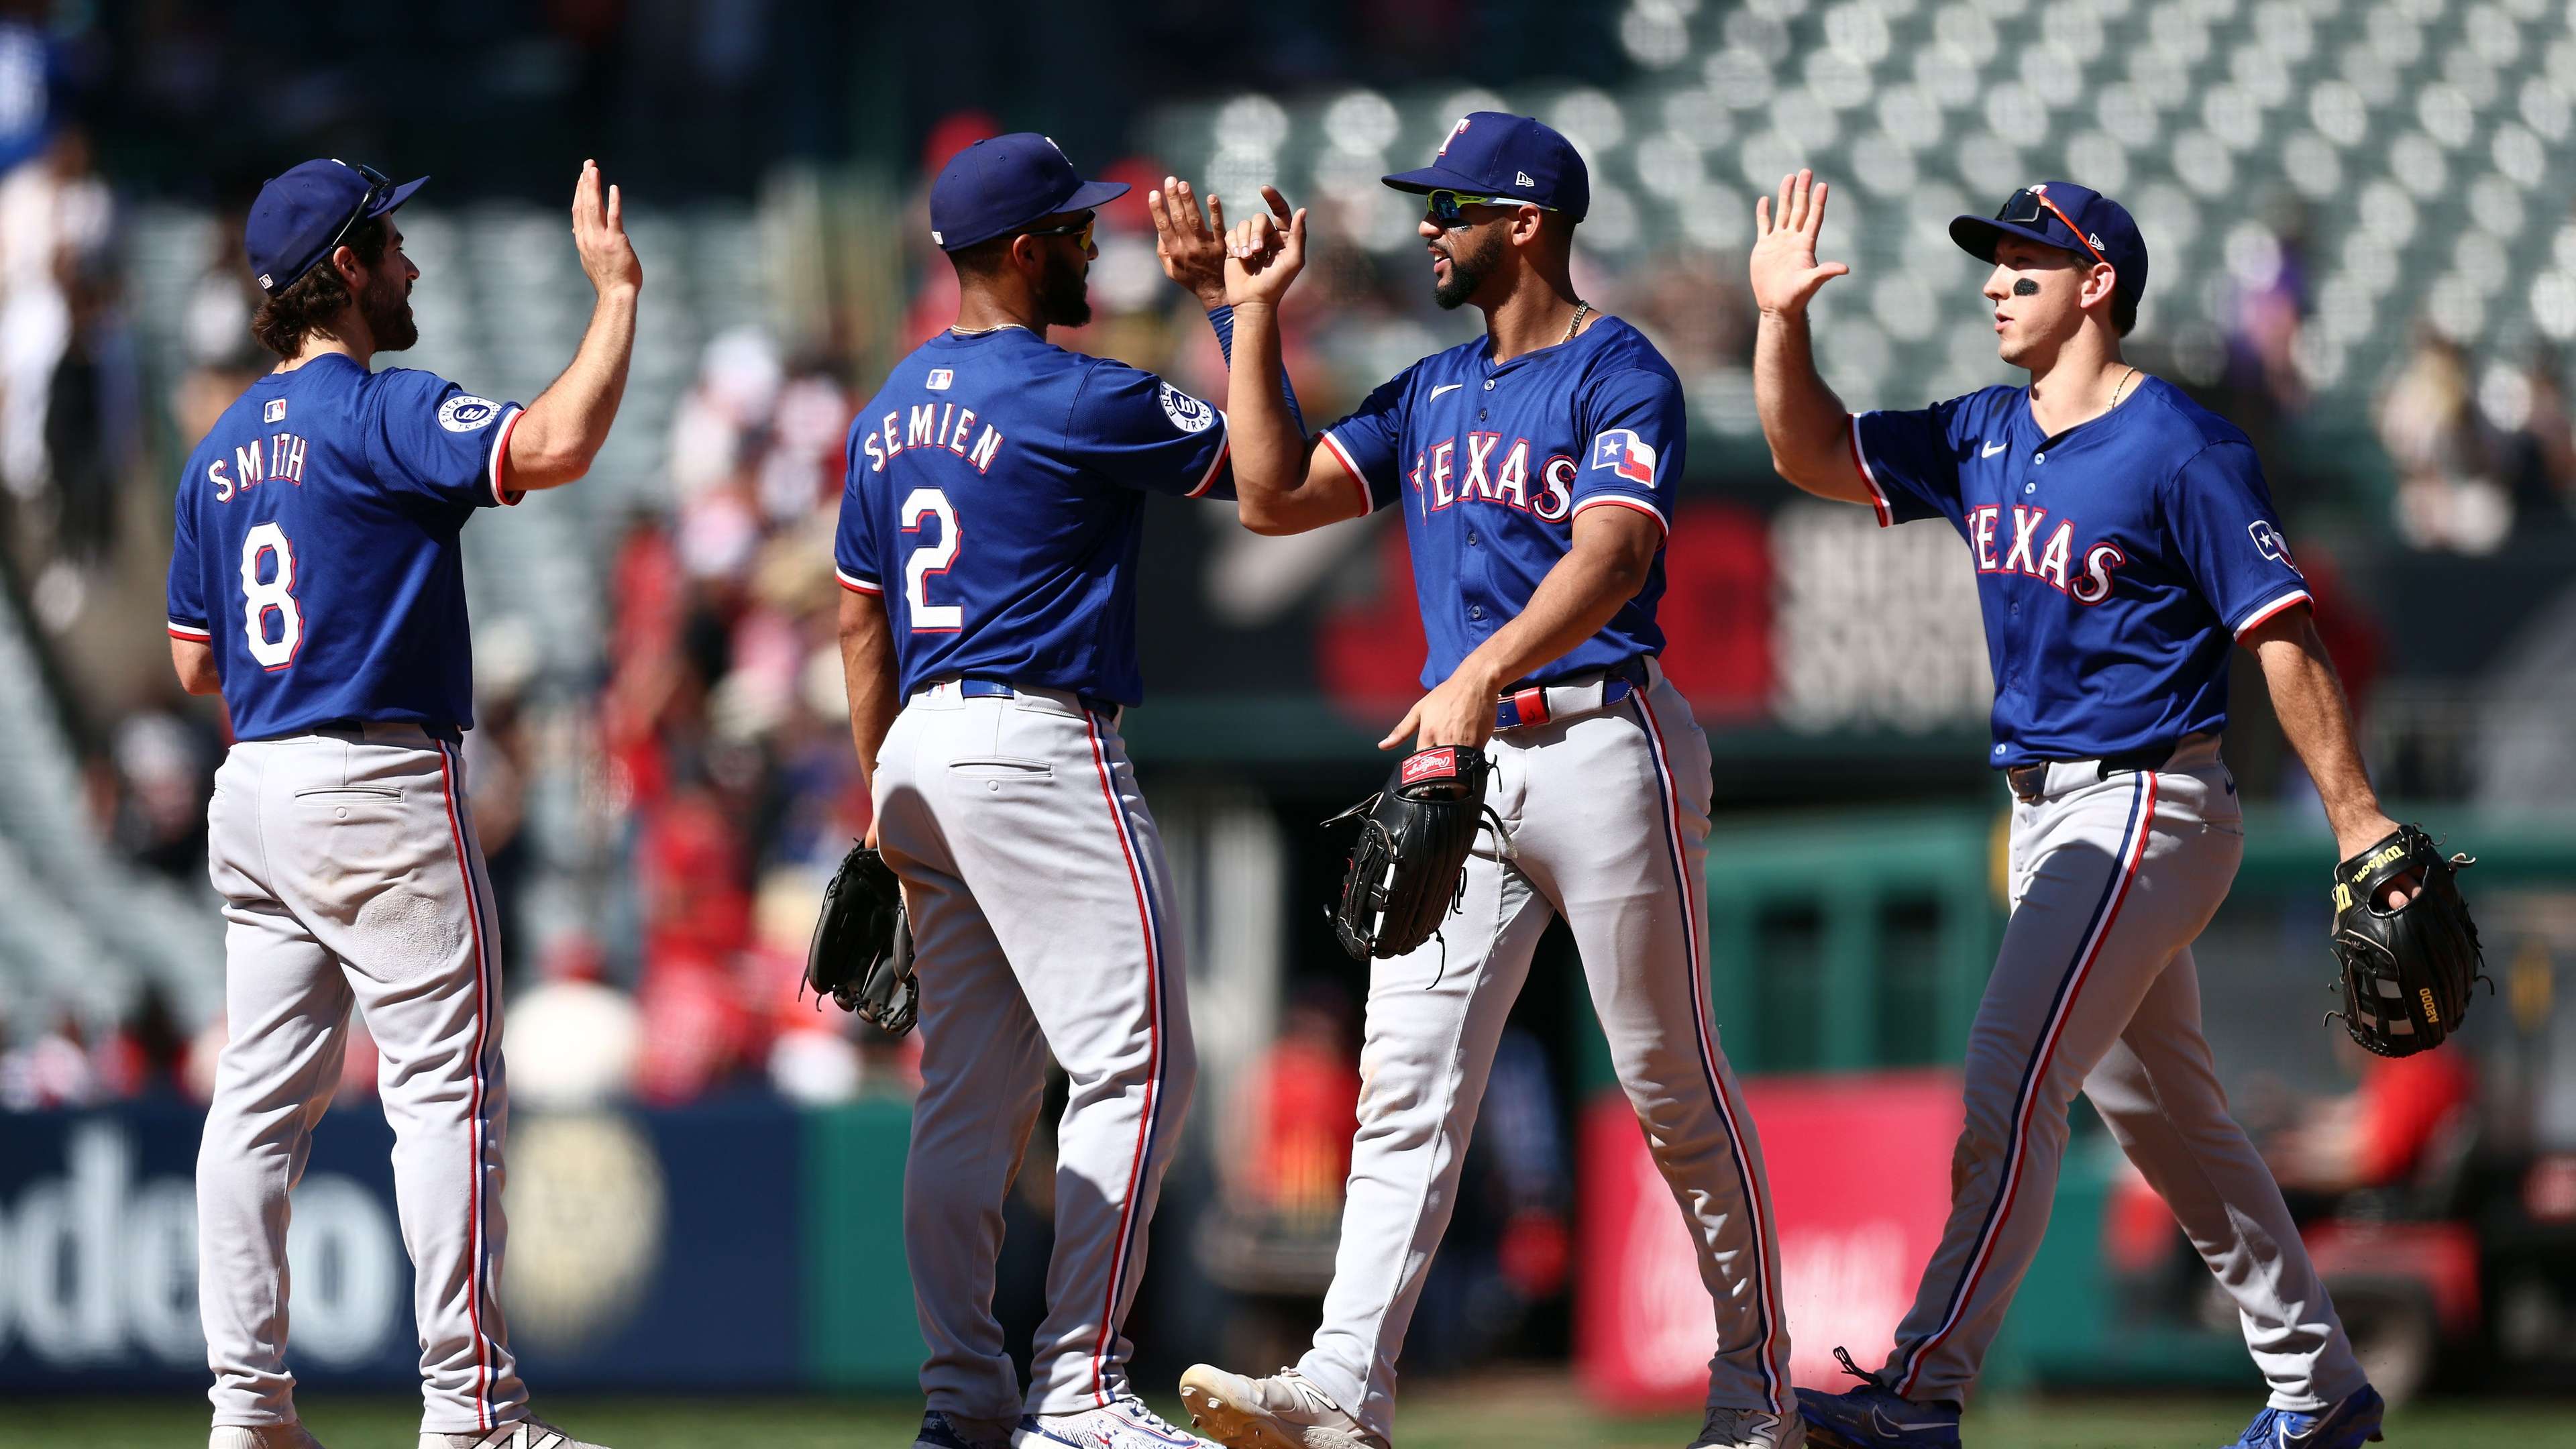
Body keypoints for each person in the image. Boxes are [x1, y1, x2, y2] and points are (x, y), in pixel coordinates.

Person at [1165, 113, 1799, 1449]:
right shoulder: (1432, 387)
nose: (1426, 229)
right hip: (1471, 770)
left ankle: (1755, 1388)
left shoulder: (1620, 371)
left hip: (1605, 743)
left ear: (1526, 224)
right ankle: (1345, 1386)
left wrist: (1481, 669)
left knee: (1668, 1085)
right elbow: (1274, 494)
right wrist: (1248, 316)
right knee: (1406, 1082)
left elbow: (1616, 556)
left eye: (1450, 207)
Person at [1748, 171, 2392, 1449]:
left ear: (2097, 285)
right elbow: (1809, 452)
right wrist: (1780, 323)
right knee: (2177, 1124)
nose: (1995, 280)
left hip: (2146, 804)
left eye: (2025, 263)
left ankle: (1923, 1393)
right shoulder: (1986, 430)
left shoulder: (2180, 446)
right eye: (1992, 260)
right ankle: (2319, 1392)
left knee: (2008, 1078)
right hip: (2051, 819)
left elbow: (2282, 633)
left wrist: (2361, 821)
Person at [167, 157, 639, 1449]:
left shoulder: (216, 452)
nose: (412, 263)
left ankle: (246, 1412)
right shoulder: (376, 410)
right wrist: (614, 298)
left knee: (258, 1105)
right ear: (346, 271)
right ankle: (471, 1412)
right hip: (374, 774)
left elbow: (192, 660)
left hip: (254, 782)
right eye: (390, 241)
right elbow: (555, 445)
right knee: (444, 1086)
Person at [834, 132, 1249, 1449]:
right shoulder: (1076, 392)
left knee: (966, 1100)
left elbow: (858, 626)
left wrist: (882, 797)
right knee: (1148, 1065)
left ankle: (964, 1397)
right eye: (1074, 229)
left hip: (919, 747)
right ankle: (1078, 1387)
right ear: (1024, 250)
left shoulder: (890, 406)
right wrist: (1232, 307)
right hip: (1033, 737)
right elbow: (1267, 469)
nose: (1092, 244)